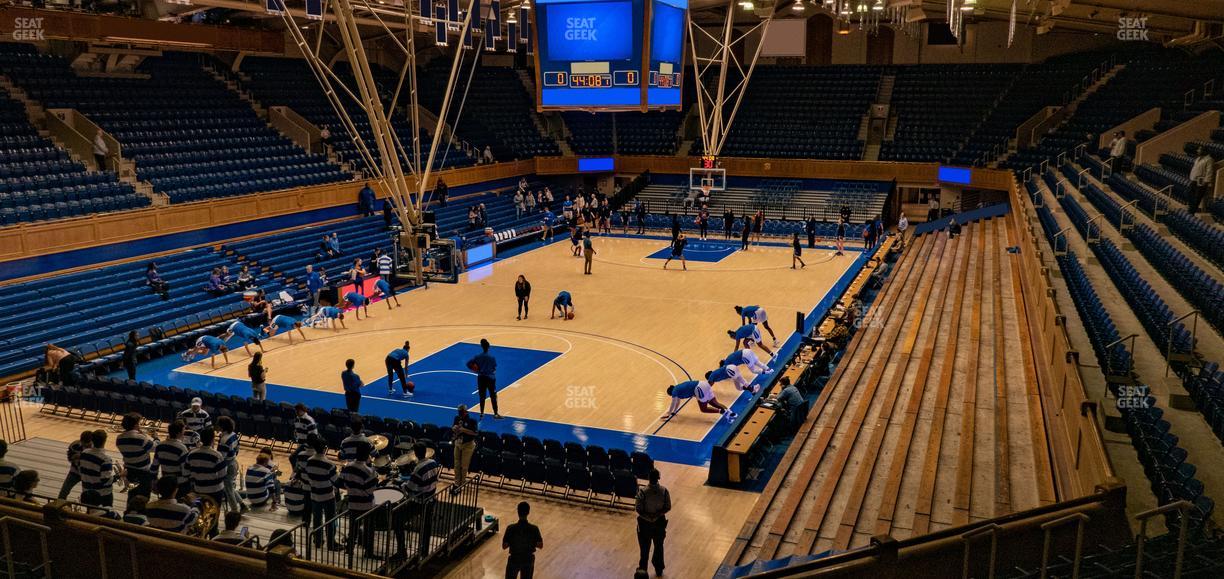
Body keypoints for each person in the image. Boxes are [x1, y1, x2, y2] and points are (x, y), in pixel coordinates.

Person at [397, 442, 440, 557]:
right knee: (426, 527)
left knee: (398, 521)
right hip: (431, 499)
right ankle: (424, 551)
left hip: (419, 502)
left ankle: (402, 551)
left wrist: (401, 485)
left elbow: (410, 488)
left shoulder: (418, 468)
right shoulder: (433, 463)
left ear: (415, 454)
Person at [339, 444, 378, 556]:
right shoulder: (369, 471)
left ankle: (349, 549)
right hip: (366, 504)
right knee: (369, 529)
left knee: (353, 528)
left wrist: (351, 489)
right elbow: (372, 490)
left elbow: (340, 482)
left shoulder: (348, 467)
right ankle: (368, 551)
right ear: (367, 455)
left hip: (352, 502)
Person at [304, 436, 340, 550]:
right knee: (330, 520)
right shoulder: (329, 464)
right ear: (325, 448)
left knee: (317, 520)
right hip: (328, 496)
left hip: (314, 495)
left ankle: (318, 542)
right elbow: (336, 481)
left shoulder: (309, 462)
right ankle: (331, 543)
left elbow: (309, 478)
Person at [635, 469, 671, 578]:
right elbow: (668, 507)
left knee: (644, 549)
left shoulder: (642, 492)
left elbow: (639, 509)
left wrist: (649, 517)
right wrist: (656, 515)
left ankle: (643, 571)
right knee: (659, 546)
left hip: (645, 524)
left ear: (648, 478)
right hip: (659, 523)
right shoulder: (664, 491)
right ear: (658, 478)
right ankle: (659, 569)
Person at [186, 428, 227, 519]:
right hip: (215, 491)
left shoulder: (191, 454)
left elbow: (187, 472)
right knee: (214, 515)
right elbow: (223, 475)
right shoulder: (217, 455)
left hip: (198, 489)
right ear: (213, 439)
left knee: (200, 512)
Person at [116, 413, 156, 498]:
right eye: (139, 423)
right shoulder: (140, 438)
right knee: (144, 497)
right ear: (135, 425)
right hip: (143, 472)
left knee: (132, 495)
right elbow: (155, 448)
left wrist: (142, 434)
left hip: (129, 471)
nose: (140, 425)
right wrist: (155, 437)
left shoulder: (119, 438)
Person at [503, 501, 543, 579]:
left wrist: (514, 541)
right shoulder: (534, 529)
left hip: (514, 558)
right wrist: (530, 541)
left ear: (518, 512)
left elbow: (504, 546)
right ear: (528, 512)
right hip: (528, 559)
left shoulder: (511, 528)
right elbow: (540, 545)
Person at [660, 379, 734, 421]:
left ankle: (721, 411)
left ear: (671, 392)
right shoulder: (678, 389)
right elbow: (677, 402)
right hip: (703, 384)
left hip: (699, 388)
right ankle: (730, 413)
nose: (672, 396)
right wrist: (674, 412)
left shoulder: (675, 391)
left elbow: (673, 402)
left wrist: (669, 413)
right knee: (714, 403)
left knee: (703, 409)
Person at [216, 416, 247, 514]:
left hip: (228, 466)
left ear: (222, 426)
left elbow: (221, 457)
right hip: (234, 462)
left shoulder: (224, 440)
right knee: (230, 487)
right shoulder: (233, 434)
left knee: (228, 491)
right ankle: (242, 505)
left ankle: (234, 511)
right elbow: (238, 448)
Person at [79, 430, 115, 508]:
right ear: (105, 441)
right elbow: (106, 481)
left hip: (87, 491)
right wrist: (120, 475)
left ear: (92, 440)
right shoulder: (105, 459)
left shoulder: (84, 453)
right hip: (102, 494)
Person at [154, 421, 190, 497]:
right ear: (178, 433)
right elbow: (185, 472)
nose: (184, 433)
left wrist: (155, 482)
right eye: (183, 431)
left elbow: (154, 467)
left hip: (165, 482)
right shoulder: (182, 448)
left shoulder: (160, 446)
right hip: (179, 484)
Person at [467, 339, 501, 419]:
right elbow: (494, 368)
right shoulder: (491, 357)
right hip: (490, 378)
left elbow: (468, 364)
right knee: (493, 396)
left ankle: (481, 413)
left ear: (481, 346)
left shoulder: (477, 357)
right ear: (488, 347)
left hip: (481, 378)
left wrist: (476, 370)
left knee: (482, 396)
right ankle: (495, 414)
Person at [59, 430, 92, 499]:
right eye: (84, 442)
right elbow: (70, 458)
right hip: (75, 472)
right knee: (64, 491)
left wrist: (81, 456)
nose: (85, 445)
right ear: (81, 440)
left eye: (88, 443)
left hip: (88, 475)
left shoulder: (95, 449)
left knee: (89, 496)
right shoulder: (74, 445)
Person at [452, 405, 478, 485]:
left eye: (461, 412)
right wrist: (454, 428)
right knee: (456, 464)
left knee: (464, 465)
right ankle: (457, 482)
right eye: (459, 412)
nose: (460, 414)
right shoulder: (457, 418)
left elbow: (475, 433)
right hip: (458, 443)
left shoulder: (472, 421)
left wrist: (464, 430)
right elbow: (453, 428)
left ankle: (462, 482)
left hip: (468, 445)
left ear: (466, 412)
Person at [1189, 147, 1214, 214]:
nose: (1197, 151)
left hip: (1201, 180)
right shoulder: (1198, 158)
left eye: (1199, 150)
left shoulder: (1209, 159)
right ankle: (1190, 208)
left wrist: (1206, 182)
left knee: (1197, 197)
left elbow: (1209, 171)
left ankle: (1192, 211)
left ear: (1204, 151)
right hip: (1194, 179)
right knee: (1191, 195)